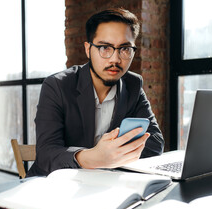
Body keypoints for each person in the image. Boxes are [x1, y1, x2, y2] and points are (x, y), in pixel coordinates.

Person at [27, 8, 164, 177]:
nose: (115, 59)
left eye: (125, 49)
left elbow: (155, 143)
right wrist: (94, 158)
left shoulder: (133, 85)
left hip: (103, 183)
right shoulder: (56, 86)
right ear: (88, 49)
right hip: (53, 184)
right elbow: (46, 155)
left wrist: (111, 157)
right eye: (105, 47)